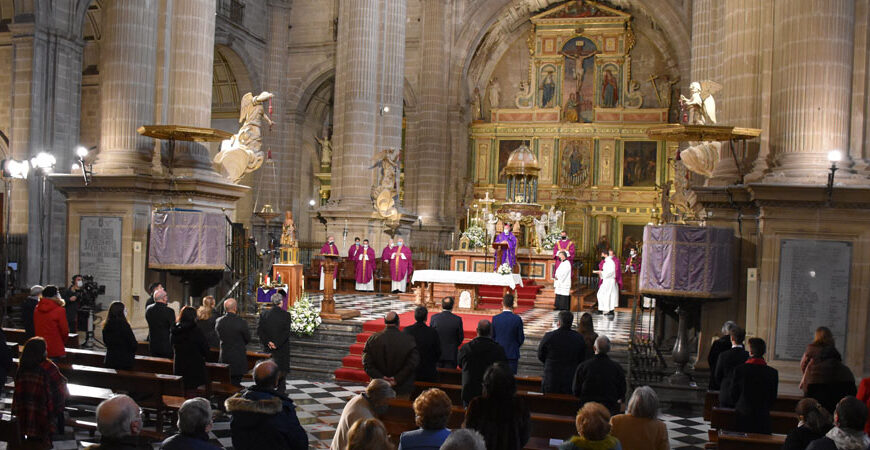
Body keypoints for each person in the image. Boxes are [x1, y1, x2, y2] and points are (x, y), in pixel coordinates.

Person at [225, 360, 308, 450]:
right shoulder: (283, 409)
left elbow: (237, 439)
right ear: (276, 381)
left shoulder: (238, 404)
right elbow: (299, 443)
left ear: (254, 379)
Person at [12, 337, 70, 446]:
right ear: (43, 352)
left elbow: (18, 393)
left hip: (24, 413)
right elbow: (60, 391)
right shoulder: (48, 367)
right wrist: (58, 408)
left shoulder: (21, 368)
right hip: (43, 415)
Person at [463, 364, 530, 450]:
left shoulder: (477, 405)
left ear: (486, 386)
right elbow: (525, 435)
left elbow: (468, 431)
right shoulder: (519, 405)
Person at [727, 337, 779, 434]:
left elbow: (733, 394)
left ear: (750, 352)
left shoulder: (740, 370)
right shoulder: (772, 372)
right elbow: (773, 397)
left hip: (743, 414)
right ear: (763, 352)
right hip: (762, 417)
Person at [363, 311, 420, 396]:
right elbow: (412, 363)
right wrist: (396, 379)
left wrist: (381, 378)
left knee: (377, 408)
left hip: (378, 388)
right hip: (402, 387)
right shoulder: (408, 339)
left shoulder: (373, 339)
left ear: (385, 322)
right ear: (398, 322)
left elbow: (367, 364)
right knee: (399, 409)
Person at [331, 379, 396, 450]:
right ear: (377, 400)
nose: (386, 406)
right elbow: (366, 446)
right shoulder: (363, 417)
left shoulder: (359, 399)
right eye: (384, 402)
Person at [572, 335, 626, 415]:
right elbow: (622, 392)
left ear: (594, 348)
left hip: (587, 410)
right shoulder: (617, 368)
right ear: (609, 349)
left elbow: (576, 391)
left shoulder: (583, 367)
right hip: (609, 411)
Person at [458, 320, 508, 405]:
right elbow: (503, 369)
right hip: (490, 392)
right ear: (491, 332)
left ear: (477, 330)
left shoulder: (466, 348)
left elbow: (460, 364)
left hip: (470, 391)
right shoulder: (498, 349)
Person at [538, 310, 586, 394]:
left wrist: (548, 362)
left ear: (559, 322)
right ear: (571, 323)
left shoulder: (549, 336)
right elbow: (582, 357)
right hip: (570, 377)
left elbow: (540, 355)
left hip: (551, 376)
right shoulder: (578, 338)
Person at [257, 292, 293, 393]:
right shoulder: (286, 315)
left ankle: (268, 390)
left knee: (268, 370)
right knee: (281, 370)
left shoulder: (264, 314)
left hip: (268, 348)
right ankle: (281, 391)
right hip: (281, 349)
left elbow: (260, 331)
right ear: (281, 302)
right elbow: (286, 333)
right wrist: (276, 344)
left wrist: (268, 342)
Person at [806, 346, 857, 414]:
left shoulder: (816, 371)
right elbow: (853, 393)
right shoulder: (846, 371)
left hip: (820, 412)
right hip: (841, 412)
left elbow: (809, 393)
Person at [171, 306, 209, 397]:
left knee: (183, 389)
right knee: (192, 391)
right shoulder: (195, 330)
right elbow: (204, 348)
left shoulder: (175, 329)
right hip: (194, 365)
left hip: (179, 364)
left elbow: (171, 344)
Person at [216, 297, 251, 386]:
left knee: (225, 382)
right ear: (235, 308)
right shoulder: (241, 322)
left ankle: (224, 399)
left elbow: (218, 336)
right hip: (238, 357)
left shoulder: (219, 321)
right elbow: (247, 338)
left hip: (224, 355)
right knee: (235, 383)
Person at [403, 306, 441, 382]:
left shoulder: (407, 331)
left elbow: (403, 350)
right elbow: (438, 352)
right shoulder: (432, 332)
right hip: (428, 370)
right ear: (426, 317)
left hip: (411, 370)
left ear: (415, 316)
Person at [714, 325, 749, 407]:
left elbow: (717, 375)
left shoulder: (723, 355)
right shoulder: (747, 356)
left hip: (726, 392)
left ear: (732, 338)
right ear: (743, 339)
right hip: (742, 394)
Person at [33, 285, 69, 360]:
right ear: (56, 295)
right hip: (55, 348)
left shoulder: (37, 309)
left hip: (40, 347)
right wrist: (62, 342)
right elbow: (64, 331)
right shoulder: (60, 310)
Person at [492, 294, 524, 374]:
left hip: (498, 354)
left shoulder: (495, 319)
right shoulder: (517, 319)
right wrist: (514, 346)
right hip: (512, 354)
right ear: (513, 304)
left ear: (502, 303)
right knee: (510, 380)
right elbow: (521, 338)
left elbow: (492, 337)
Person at [102, 301, 138, 370]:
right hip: (124, 361)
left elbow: (106, 342)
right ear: (121, 312)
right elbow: (133, 344)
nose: (126, 311)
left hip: (110, 359)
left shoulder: (106, 325)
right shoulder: (124, 325)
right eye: (125, 310)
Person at [430, 297, 464, 369]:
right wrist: (453, 346)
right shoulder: (457, 319)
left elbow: (431, 336)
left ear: (442, 305)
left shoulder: (434, 318)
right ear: (452, 306)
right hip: (451, 355)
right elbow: (460, 338)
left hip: (436, 354)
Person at [708, 320, 738, 390]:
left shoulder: (717, 343)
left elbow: (710, 359)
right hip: (731, 380)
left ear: (724, 330)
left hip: (716, 377)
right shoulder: (736, 344)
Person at [146, 289, 175, 358]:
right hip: (166, 345)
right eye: (166, 296)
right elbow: (172, 328)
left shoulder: (149, 309)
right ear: (164, 298)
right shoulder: (169, 311)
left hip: (153, 344)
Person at [593, 249, 621, 318]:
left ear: (605, 254)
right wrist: (601, 272)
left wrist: (600, 272)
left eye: (602, 254)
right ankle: (601, 309)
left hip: (609, 281)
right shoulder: (606, 262)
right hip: (606, 281)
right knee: (600, 294)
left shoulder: (610, 262)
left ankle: (610, 311)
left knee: (609, 295)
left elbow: (610, 272)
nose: (601, 256)